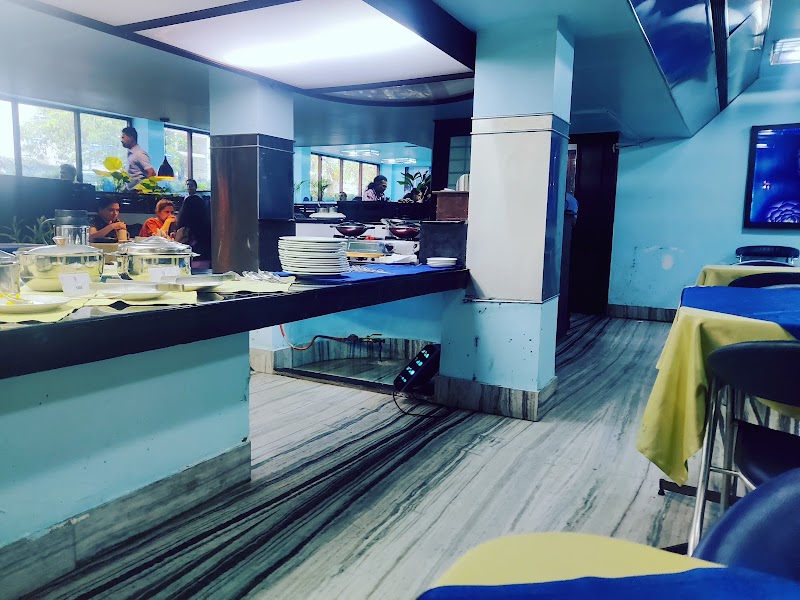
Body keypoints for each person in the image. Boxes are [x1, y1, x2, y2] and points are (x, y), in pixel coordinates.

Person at [175, 193, 211, 268]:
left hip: (187, 267)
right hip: (208, 265)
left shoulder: (183, 231)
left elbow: (176, 253)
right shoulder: (210, 230)